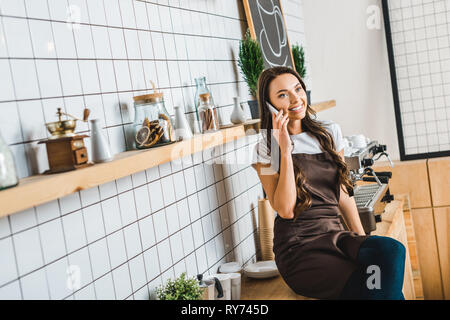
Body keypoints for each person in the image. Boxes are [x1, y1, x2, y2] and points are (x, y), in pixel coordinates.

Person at [251, 66, 406, 300]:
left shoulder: (329, 132)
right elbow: (285, 209)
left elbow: (343, 193)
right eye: (283, 94)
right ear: (269, 104)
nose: (296, 98)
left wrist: (363, 241)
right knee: (371, 287)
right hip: (299, 248)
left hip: (335, 234)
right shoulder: (264, 149)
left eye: (298, 89)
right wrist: (284, 150)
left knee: (391, 251)